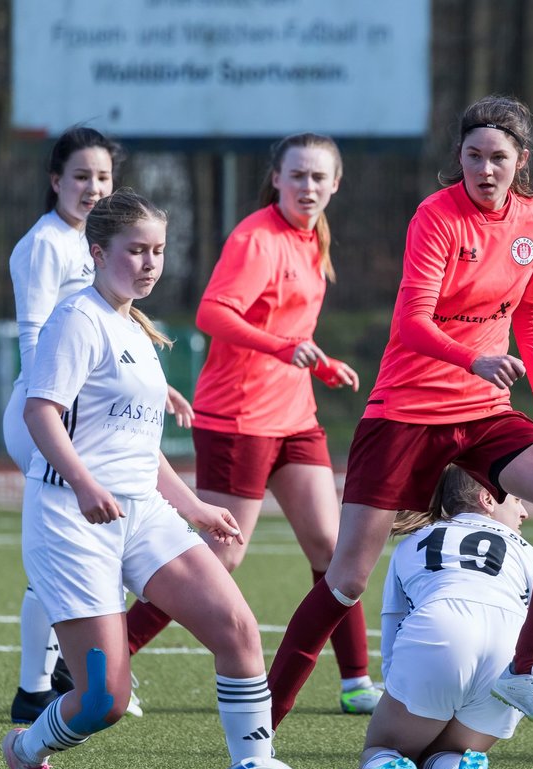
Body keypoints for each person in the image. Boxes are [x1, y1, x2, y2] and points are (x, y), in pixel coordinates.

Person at [267, 94, 533, 734]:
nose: (485, 169)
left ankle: (523, 672)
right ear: (459, 157)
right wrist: (469, 358)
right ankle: (257, 730)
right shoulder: (436, 215)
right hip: (405, 413)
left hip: (484, 413)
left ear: (520, 161)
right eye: (473, 155)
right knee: (344, 582)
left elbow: (530, 319)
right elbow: (410, 322)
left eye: (498, 158)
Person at [1, 190, 273, 769]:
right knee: (103, 700)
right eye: (136, 251)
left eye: (158, 251)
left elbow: (141, 448)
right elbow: (41, 412)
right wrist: (85, 483)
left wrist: (194, 506)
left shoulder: (137, 330)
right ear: (98, 252)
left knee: (238, 633)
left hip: (142, 515)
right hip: (73, 520)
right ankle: (27, 750)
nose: (150, 263)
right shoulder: (78, 318)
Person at [120, 133, 382, 714]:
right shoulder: (255, 236)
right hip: (237, 416)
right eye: (297, 176)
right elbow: (213, 312)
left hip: (294, 417)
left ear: (335, 184)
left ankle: (356, 681)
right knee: (223, 554)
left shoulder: (314, 239)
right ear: (277, 179)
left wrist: (321, 362)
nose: (307, 187)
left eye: (318, 177)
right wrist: (283, 347)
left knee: (333, 547)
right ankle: (111, 653)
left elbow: (289, 329)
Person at [3, 127, 193, 725]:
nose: (92, 187)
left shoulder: (112, 246)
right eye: (81, 176)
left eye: (103, 178)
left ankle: (49, 681)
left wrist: (148, 384)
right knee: (74, 532)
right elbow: (38, 334)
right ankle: (50, 680)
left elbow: (113, 337)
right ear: (55, 181)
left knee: (100, 531)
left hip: (83, 405)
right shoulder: (46, 245)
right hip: (47, 407)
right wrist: (63, 394)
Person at [324, 465, 533, 769]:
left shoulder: (412, 543)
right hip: (508, 659)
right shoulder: (532, 555)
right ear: (487, 499)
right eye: (516, 499)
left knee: (384, 747)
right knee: (444, 756)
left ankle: (385, 766)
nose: (524, 511)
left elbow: (393, 627)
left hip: (437, 635)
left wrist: (402, 692)